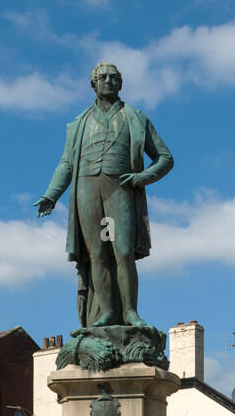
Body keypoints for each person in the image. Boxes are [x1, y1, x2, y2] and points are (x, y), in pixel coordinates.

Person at [34, 62, 173, 328]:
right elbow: (66, 164)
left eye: (113, 77)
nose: (107, 81)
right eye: (102, 77)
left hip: (120, 188)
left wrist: (142, 177)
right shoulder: (77, 124)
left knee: (122, 251)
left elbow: (165, 158)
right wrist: (51, 195)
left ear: (120, 84)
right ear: (93, 84)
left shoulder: (136, 118)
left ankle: (130, 312)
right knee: (96, 253)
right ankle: (107, 312)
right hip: (86, 188)